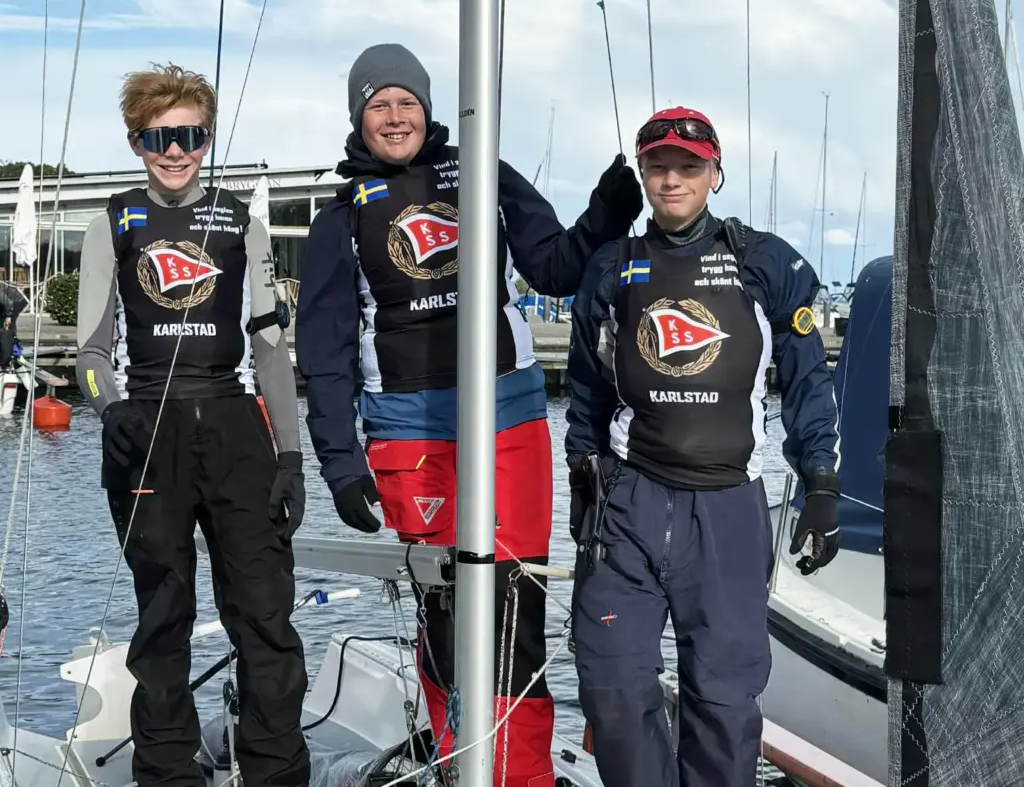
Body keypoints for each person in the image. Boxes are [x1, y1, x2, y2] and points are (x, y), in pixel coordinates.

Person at [295, 43, 642, 787]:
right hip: (408, 434)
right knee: (448, 610)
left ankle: (523, 775)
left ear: (428, 109)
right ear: (358, 116)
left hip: (507, 420)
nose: (395, 116)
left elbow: (554, 265)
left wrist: (605, 215)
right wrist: (340, 464)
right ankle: (463, 765)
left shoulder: (483, 172)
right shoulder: (340, 218)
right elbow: (324, 354)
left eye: (407, 102)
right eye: (379, 104)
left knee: (514, 606)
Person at [564, 107, 841, 787]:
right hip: (630, 501)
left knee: (723, 702)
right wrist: (579, 472)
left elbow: (808, 379)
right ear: (642, 173)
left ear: (715, 173)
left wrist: (821, 483)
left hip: (727, 509)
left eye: (688, 166)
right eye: (657, 166)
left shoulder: (765, 262)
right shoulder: (612, 266)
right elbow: (586, 386)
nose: (672, 179)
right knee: (611, 685)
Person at [75, 63, 309, 787]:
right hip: (146, 432)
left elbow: (270, 347)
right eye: (158, 138)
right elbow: (89, 354)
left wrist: (291, 455)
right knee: (163, 618)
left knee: (264, 614)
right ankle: (167, 772)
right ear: (136, 142)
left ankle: (275, 771)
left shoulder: (243, 225)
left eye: (190, 136)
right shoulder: (111, 224)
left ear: (207, 139)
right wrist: (109, 407)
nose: (174, 152)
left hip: (235, 428)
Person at [0, 283, 27, 369]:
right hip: (6, 303)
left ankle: (14, 353)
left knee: (8, 327)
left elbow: (9, 303)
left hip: (16, 302)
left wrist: (8, 316)